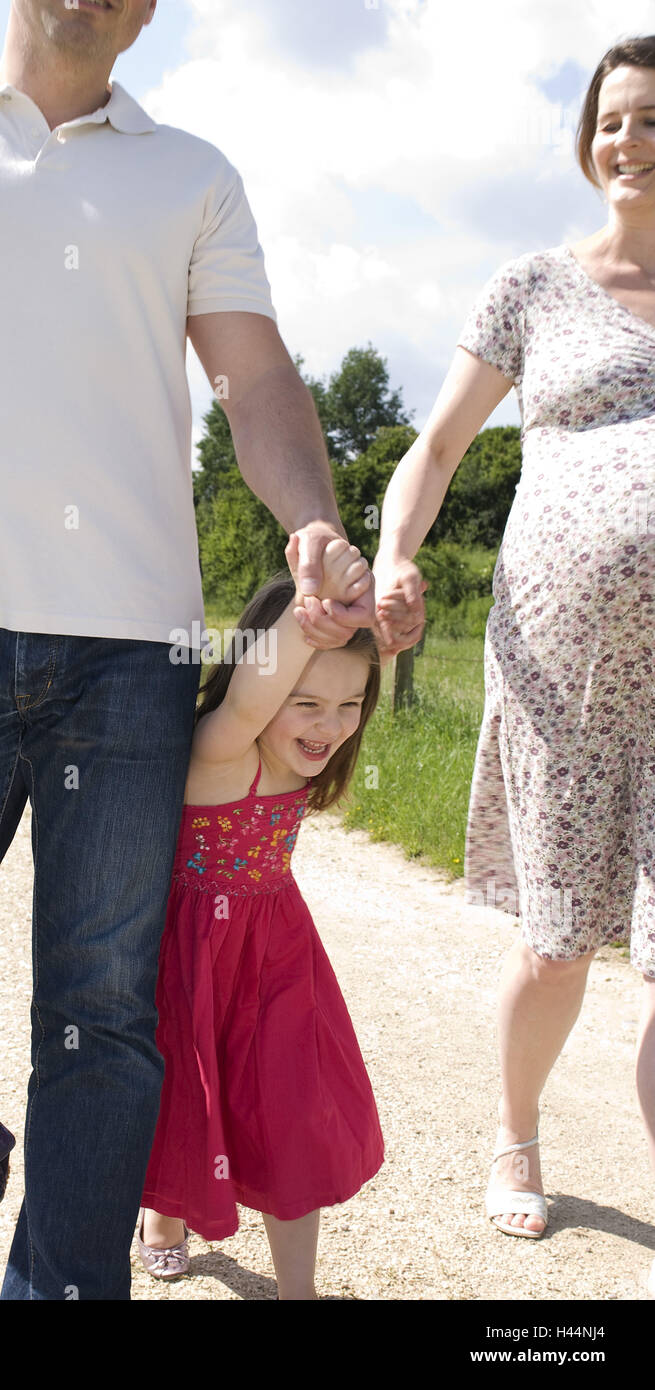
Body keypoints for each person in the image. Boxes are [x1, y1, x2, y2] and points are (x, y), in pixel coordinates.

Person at [0, 0, 390, 1301]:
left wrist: (313, 527)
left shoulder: (190, 176)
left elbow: (256, 378)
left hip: (125, 659)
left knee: (102, 1006)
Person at [360, 37, 655, 1287]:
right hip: (563, 669)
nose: (627, 142)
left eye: (648, 119)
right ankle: (515, 1140)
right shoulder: (532, 284)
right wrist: (390, 557)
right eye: (610, 121)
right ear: (586, 141)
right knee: (555, 943)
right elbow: (432, 446)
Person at [134, 538, 385, 1300]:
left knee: (291, 1107)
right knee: (181, 1091)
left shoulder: (297, 761)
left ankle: (296, 1290)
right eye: (305, 702)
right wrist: (322, 602)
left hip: (276, 950)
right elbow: (248, 697)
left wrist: (376, 605)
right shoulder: (222, 750)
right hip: (192, 953)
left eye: (349, 705)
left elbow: (334, 692)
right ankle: (163, 1219)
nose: (329, 725)